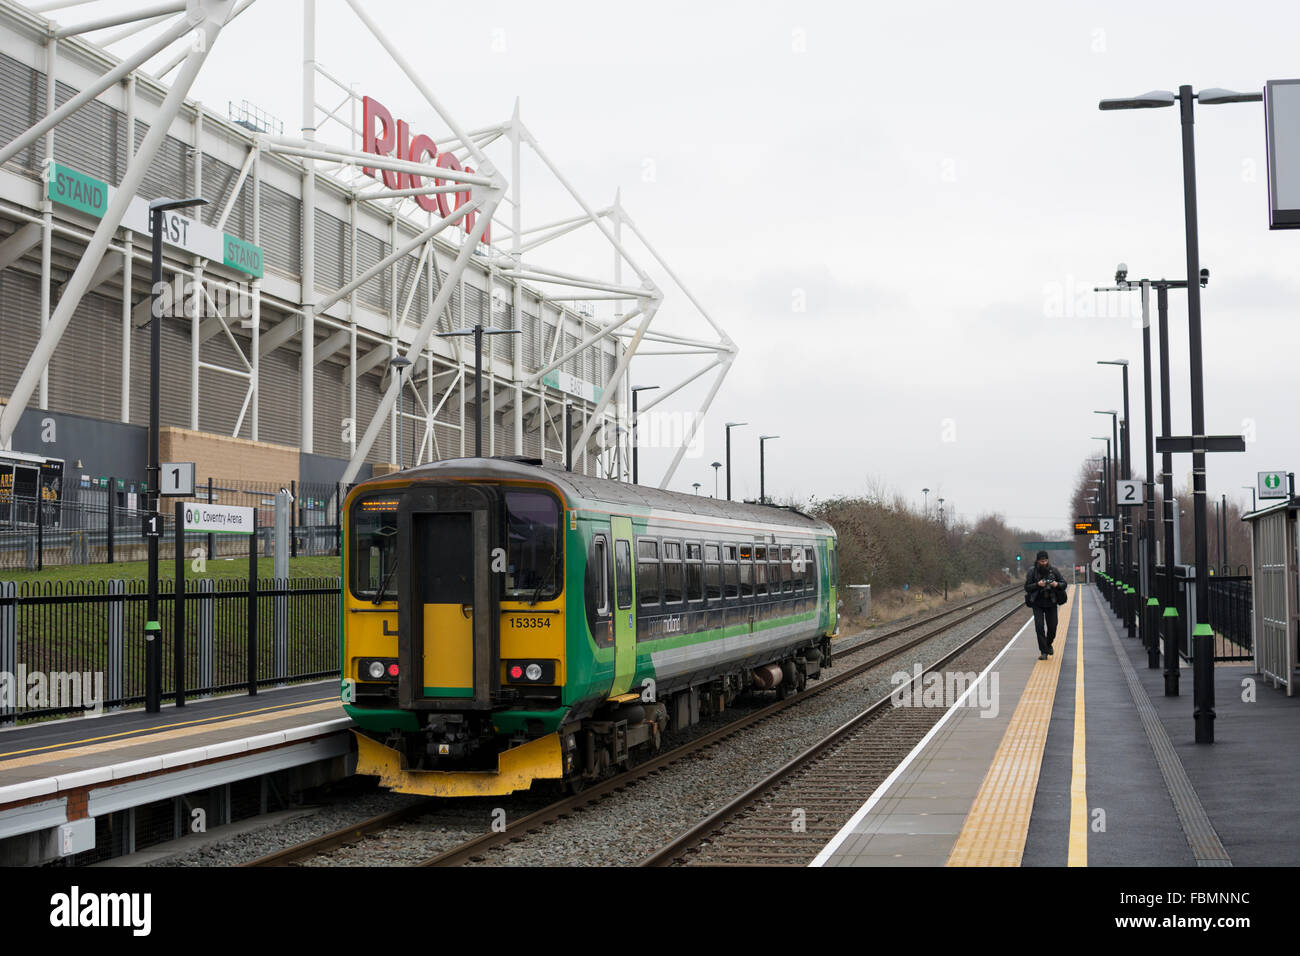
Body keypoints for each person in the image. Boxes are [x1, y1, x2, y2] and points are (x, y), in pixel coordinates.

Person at [1024, 550, 1066, 660]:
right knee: (1039, 627)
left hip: (1051, 602)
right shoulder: (1032, 572)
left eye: (1046, 560)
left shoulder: (1054, 570)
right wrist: (1038, 584)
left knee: (1052, 627)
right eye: (1042, 561)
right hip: (1037, 602)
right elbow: (1027, 587)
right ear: (1038, 561)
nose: (1044, 563)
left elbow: (1064, 584)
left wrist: (1056, 584)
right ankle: (1043, 652)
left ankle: (1048, 644)